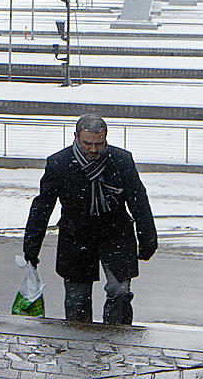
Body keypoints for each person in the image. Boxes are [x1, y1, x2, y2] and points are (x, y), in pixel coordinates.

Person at [23, 113, 157, 324]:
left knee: (120, 293)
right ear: (75, 137)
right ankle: (79, 345)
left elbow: (138, 200)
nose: (93, 149)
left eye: (99, 144)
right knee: (77, 299)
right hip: (76, 237)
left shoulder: (122, 161)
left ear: (106, 138)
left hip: (116, 234)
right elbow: (42, 206)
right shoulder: (59, 163)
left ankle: (115, 339)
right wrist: (31, 245)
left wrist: (148, 237)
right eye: (87, 143)